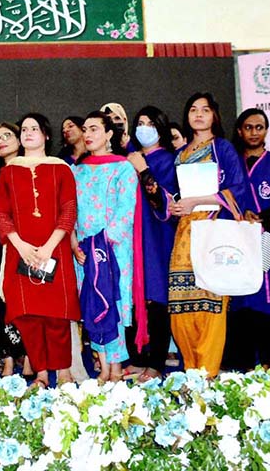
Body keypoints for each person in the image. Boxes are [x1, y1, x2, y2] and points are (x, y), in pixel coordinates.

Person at [167, 92, 251, 378]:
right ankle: (191, 371)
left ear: (215, 115)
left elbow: (239, 189)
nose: (199, 114)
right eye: (193, 109)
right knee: (181, 307)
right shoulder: (181, 153)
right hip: (185, 234)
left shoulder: (223, 149)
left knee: (211, 303)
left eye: (205, 109)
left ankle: (208, 372)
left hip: (213, 231)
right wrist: (177, 205)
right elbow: (176, 194)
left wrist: (197, 201)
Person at [0, 113, 79, 388]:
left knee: (57, 315)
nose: (29, 133)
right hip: (21, 252)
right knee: (28, 316)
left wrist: (48, 248)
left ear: (46, 135)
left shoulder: (61, 168)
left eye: (35, 129)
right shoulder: (8, 171)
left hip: (54, 251)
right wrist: (21, 247)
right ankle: (41, 373)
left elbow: (68, 210)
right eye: (25, 130)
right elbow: (2, 215)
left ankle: (63, 372)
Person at [220, 108, 270, 370]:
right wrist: (239, 213)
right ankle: (240, 370)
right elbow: (222, 197)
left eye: (259, 127)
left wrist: (267, 215)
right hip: (238, 243)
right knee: (241, 305)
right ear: (240, 131)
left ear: (266, 131)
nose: (253, 132)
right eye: (248, 127)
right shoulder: (231, 165)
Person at [73, 111, 141, 382]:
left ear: (109, 134)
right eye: (85, 129)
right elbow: (71, 211)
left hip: (114, 249)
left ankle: (116, 367)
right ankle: (102, 366)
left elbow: (126, 210)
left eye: (94, 129)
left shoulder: (123, 168)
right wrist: (76, 243)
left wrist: (103, 242)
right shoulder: (76, 170)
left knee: (114, 302)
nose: (87, 134)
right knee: (92, 303)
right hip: (84, 251)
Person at [124, 105, 179, 382]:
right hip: (131, 236)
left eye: (150, 123)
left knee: (157, 296)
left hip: (158, 235)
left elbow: (165, 203)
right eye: (140, 122)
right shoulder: (128, 159)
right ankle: (138, 358)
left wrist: (144, 170)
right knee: (133, 296)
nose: (144, 127)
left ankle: (156, 362)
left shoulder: (169, 160)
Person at [0, 122, 29, 377]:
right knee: (2, 304)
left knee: (28, 303)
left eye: (7, 135)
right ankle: (7, 356)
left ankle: (29, 354)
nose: (1, 140)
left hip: (30, 247)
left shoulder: (33, 169)